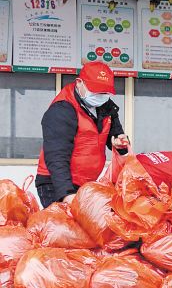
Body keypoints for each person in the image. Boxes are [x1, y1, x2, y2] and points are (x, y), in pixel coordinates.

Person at [36, 61, 128, 208]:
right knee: (64, 229)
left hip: (85, 183)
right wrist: (67, 194)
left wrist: (120, 144)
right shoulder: (62, 109)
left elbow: (116, 135)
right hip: (56, 183)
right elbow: (56, 156)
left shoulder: (106, 107)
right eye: (96, 91)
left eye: (104, 92)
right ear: (79, 83)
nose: (101, 96)